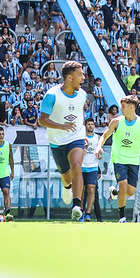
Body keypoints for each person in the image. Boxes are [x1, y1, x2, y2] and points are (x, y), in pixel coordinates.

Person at [38, 61, 88, 222]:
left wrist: (84, 132)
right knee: (66, 177)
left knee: (77, 166)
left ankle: (77, 205)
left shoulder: (83, 95)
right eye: (80, 75)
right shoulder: (52, 95)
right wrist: (61, 126)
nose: (83, 78)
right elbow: (42, 120)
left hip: (76, 137)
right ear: (69, 77)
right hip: (57, 141)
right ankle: (67, 187)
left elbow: (81, 114)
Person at [95, 95, 140, 223]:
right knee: (123, 184)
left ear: (131, 107)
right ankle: (122, 217)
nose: (120, 109)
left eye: (123, 106)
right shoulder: (116, 121)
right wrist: (98, 147)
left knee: (129, 192)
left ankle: (115, 192)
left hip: (134, 161)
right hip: (119, 159)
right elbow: (104, 135)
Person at [81, 118, 100, 222]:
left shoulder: (98, 138)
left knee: (91, 189)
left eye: (92, 124)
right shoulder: (82, 138)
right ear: (85, 126)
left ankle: (88, 213)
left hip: (93, 167)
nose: (90, 126)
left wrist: (100, 155)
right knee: (81, 191)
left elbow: (100, 152)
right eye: (88, 124)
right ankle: (81, 212)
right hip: (82, 167)